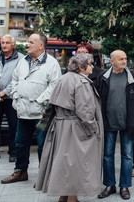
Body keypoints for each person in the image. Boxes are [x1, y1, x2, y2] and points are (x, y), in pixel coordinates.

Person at [35, 54, 103, 202]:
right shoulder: (81, 82)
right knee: (75, 164)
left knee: (65, 163)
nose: (92, 66)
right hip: (75, 128)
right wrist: (93, 129)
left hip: (61, 126)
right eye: (90, 64)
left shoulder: (64, 78)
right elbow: (84, 110)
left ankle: (63, 197)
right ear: (81, 66)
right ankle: (72, 198)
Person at [1, 32, 62, 184]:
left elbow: (55, 85)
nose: (27, 44)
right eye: (27, 42)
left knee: (43, 145)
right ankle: (20, 171)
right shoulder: (23, 61)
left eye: (31, 42)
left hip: (42, 113)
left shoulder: (52, 63)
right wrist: (15, 96)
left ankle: (44, 176)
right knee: (20, 143)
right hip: (23, 111)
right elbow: (15, 79)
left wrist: (40, 100)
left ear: (41, 45)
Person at [96, 50, 134, 200]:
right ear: (112, 61)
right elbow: (96, 100)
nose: (124, 61)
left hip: (128, 123)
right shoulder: (102, 77)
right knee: (107, 155)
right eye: (120, 59)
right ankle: (110, 185)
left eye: (125, 58)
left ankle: (124, 186)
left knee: (127, 156)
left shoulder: (133, 77)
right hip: (108, 123)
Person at [0, 34, 24, 163]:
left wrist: (4, 92)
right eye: (2, 43)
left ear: (13, 45)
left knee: (14, 126)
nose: (4, 45)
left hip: (12, 98)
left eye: (7, 43)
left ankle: (13, 152)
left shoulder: (21, 59)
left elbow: (18, 79)